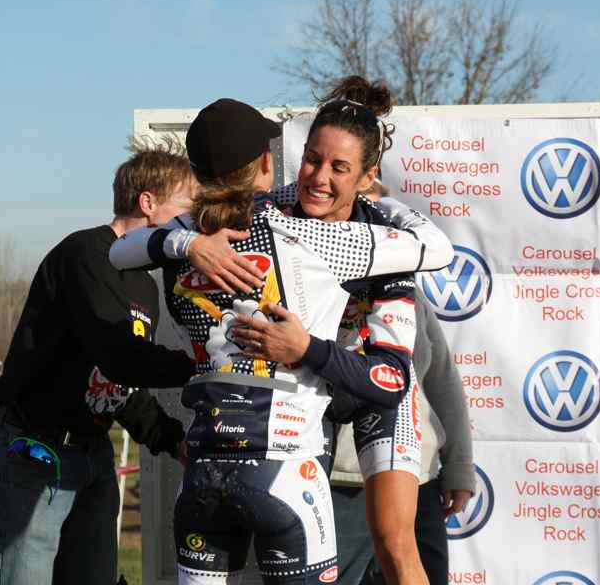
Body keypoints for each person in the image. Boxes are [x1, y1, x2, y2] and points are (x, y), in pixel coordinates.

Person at [108, 97, 453, 585]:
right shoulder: (270, 211)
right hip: (297, 402)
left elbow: (391, 379)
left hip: (365, 384)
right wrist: (192, 242)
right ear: (285, 160)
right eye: (312, 159)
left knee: (395, 543)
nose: (318, 178)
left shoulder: (376, 234)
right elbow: (132, 248)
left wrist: (306, 348)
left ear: (366, 174)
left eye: (339, 167)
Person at [0, 138, 209, 585]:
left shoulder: (145, 286)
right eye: (186, 207)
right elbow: (121, 360)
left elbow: (119, 387)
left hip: (93, 456)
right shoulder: (85, 255)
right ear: (147, 202)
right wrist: (206, 363)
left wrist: (171, 440)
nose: (193, 222)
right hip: (38, 452)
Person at [326, 180, 475, 585]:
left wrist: (459, 466)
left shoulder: (408, 292)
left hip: (419, 479)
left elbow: (440, 378)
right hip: (342, 484)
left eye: (383, 221)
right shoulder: (316, 287)